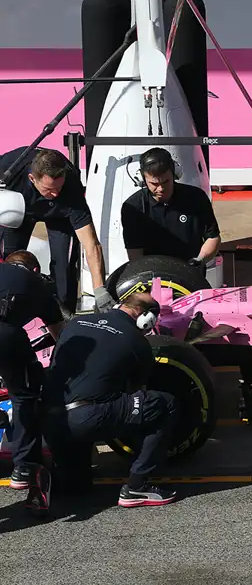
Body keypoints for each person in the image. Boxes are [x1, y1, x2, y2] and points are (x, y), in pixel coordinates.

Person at [41, 292, 179, 507]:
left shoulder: (76, 323)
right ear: (146, 318)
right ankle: (137, 486)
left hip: (50, 420)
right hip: (86, 419)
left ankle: (59, 477)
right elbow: (137, 390)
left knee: (76, 487)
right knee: (162, 404)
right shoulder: (137, 342)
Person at [0, 147, 110, 313]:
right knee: (8, 259)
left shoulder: (71, 187)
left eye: (59, 188)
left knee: (63, 267)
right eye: (49, 189)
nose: (56, 194)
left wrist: (100, 290)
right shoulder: (10, 167)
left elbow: (92, 245)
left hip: (60, 216)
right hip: (19, 209)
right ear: (32, 178)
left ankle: (62, 315)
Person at [0, 250, 65, 514]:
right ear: (35, 270)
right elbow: (60, 335)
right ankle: (24, 466)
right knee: (25, 395)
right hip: (6, 336)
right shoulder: (38, 285)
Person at [121, 147, 221, 268]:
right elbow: (135, 254)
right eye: (154, 184)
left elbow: (213, 237)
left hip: (191, 273)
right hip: (152, 274)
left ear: (174, 173)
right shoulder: (133, 208)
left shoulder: (197, 198)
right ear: (143, 179)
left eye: (165, 182)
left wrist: (199, 260)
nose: (161, 189)